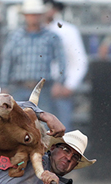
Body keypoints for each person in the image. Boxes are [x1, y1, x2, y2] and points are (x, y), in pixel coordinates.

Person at [0, 0, 66, 113]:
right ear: (25, 16)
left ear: (42, 15)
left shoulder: (51, 37)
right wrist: (3, 86)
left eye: (36, 14)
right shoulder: (15, 36)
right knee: (18, 124)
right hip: (19, 86)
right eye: (31, 14)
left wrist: (59, 82)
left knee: (43, 124)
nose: (33, 17)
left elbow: (61, 60)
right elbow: (7, 62)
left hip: (42, 89)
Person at [44, 0, 88, 130]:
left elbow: (79, 60)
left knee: (61, 132)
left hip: (60, 87)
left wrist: (69, 85)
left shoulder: (67, 31)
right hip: (39, 87)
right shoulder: (32, 31)